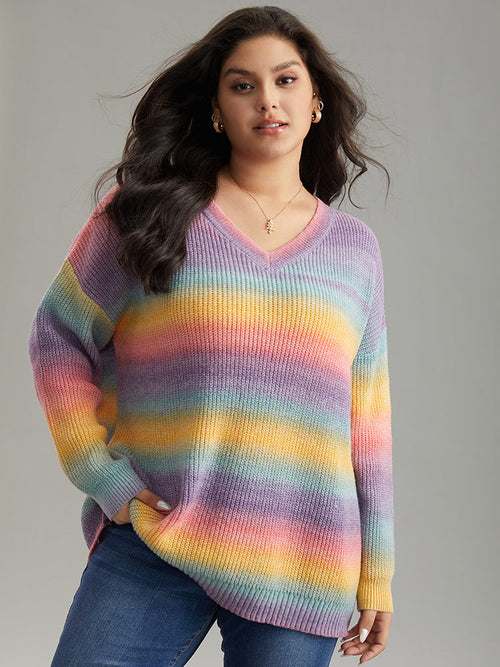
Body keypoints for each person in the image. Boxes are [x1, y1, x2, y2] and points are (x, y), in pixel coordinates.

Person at [28, 5, 395, 666]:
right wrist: (101, 475)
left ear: (315, 101)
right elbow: (57, 337)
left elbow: (366, 421)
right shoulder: (146, 215)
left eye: (286, 80)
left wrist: (378, 573)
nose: (268, 100)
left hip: (301, 561)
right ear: (218, 110)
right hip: (159, 538)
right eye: (242, 84)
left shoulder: (354, 250)